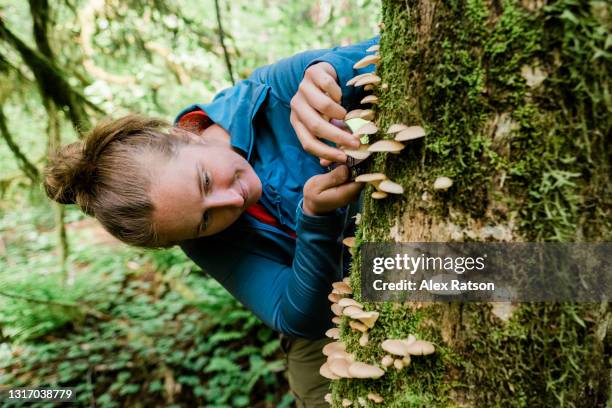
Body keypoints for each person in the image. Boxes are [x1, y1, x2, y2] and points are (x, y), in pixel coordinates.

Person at [44, 35, 379, 407]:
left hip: (389, 257)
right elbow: (298, 315)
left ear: (186, 134)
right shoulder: (201, 242)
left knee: (448, 274)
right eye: (205, 220)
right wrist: (317, 219)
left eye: (205, 180)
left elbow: (396, 48)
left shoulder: (268, 96)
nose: (233, 200)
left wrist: (332, 68)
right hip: (327, 313)